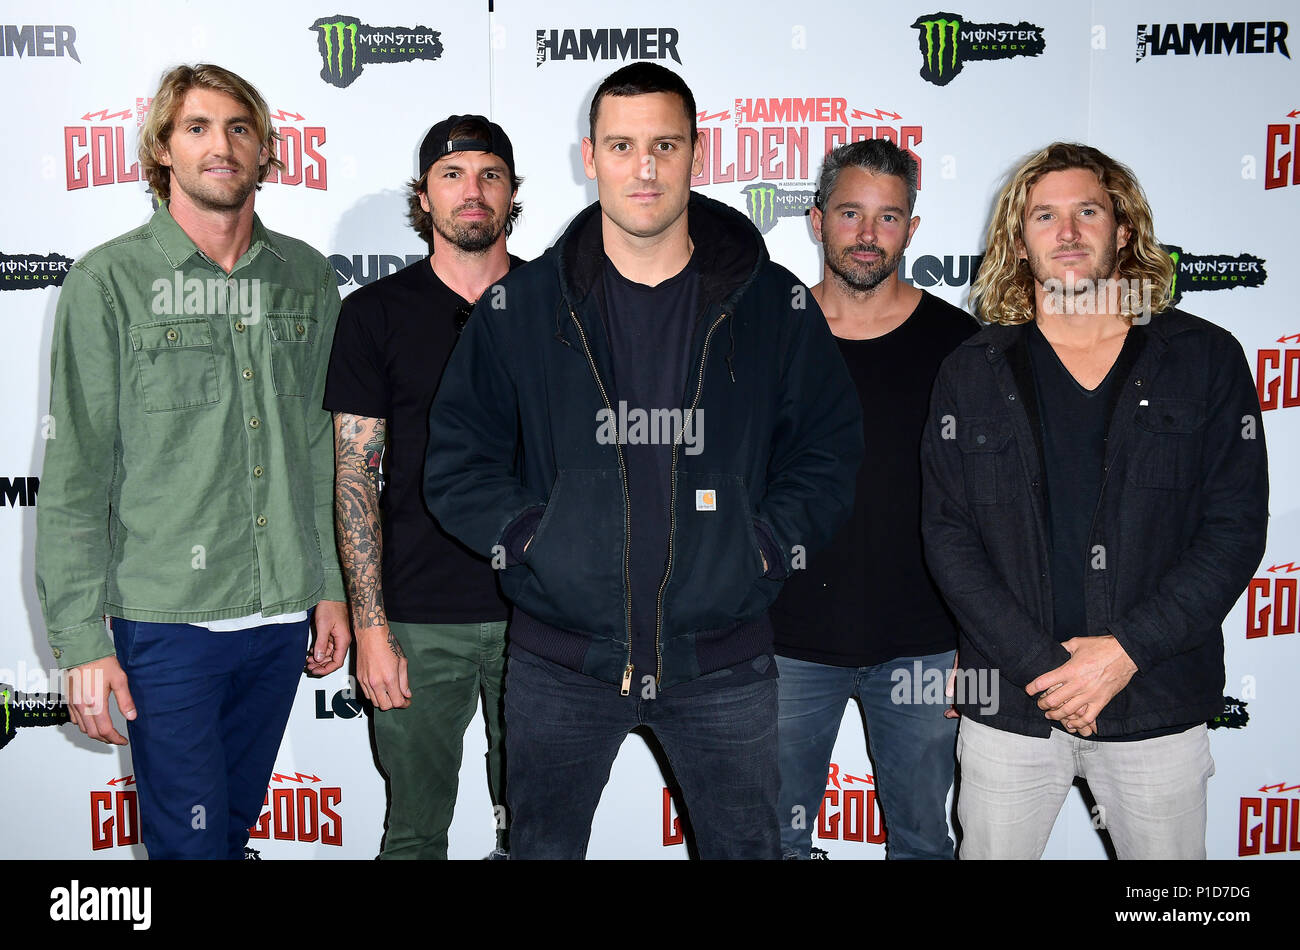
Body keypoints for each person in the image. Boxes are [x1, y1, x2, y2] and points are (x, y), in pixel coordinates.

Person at [424, 63, 862, 859]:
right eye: (622, 146)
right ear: (589, 158)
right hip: (561, 661)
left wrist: (761, 545)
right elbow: (457, 460)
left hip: (722, 661)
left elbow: (828, 452)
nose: (646, 167)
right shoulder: (522, 307)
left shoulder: (773, 303)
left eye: (666, 144)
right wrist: (533, 538)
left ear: (699, 153)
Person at [35, 63, 349, 860]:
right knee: (193, 849)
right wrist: (81, 642)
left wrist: (334, 591)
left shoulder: (307, 279)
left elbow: (321, 453)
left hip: (281, 618)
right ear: (163, 151)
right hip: (168, 626)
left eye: (240, 128)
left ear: (266, 152)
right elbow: (76, 477)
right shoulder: (109, 282)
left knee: (228, 835)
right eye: (198, 128)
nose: (222, 145)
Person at [921, 142, 1268, 859]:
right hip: (1012, 704)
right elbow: (948, 537)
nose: (1068, 232)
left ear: (1124, 230)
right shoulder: (971, 370)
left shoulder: (1204, 359)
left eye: (1088, 211)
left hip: (1156, 696)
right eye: (1044, 216)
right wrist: (1045, 669)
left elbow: (1233, 531)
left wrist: (1125, 653)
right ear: (1019, 244)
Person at [324, 115, 524, 859]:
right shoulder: (373, 314)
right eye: (452, 175)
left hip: (542, 617)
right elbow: (355, 476)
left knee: (538, 833)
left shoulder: (562, 305)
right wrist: (370, 628)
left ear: (510, 194)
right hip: (414, 620)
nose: (472, 192)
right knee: (413, 835)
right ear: (424, 197)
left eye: (489, 175)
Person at [771, 139, 976, 860]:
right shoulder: (770, 334)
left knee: (924, 843)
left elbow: (990, 510)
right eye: (851, 213)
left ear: (912, 230)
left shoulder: (962, 345)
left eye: (887, 218)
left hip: (923, 648)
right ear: (816, 218)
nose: (867, 234)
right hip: (783, 642)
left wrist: (974, 642)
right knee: (774, 843)